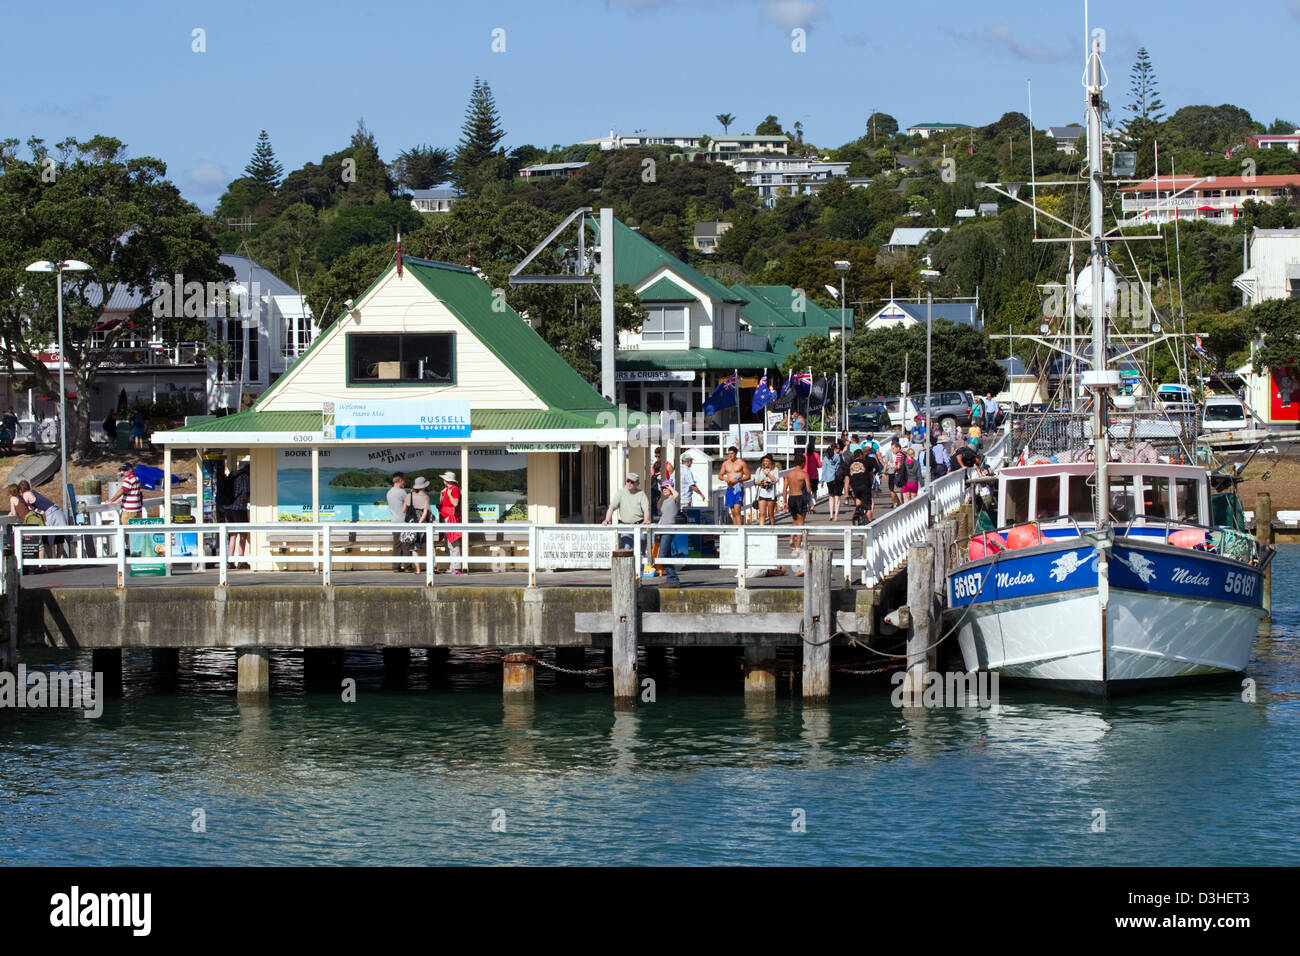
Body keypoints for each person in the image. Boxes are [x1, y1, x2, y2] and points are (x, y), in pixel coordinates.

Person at [19, 480, 69, 561]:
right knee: (59, 538)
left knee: (46, 539)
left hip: (50, 513)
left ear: (20, 490)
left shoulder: (26, 494)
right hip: (57, 510)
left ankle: (51, 561)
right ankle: (57, 560)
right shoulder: (33, 492)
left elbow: (28, 508)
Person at [602, 472, 651, 552]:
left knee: (641, 552)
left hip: (639, 525)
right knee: (626, 550)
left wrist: (646, 520)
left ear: (637, 483)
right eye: (628, 481)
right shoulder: (621, 492)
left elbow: (646, 509)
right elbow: (611, 507)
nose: (629, 483)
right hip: (625, 526)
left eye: (632, 482)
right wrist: (607, 519)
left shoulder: (641, 494)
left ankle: (641, 559)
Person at [782, 452, 810, 569]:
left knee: (795, 520)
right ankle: (798, 546)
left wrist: (784, 501)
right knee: (801, 522)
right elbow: (808, 489)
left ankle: (791, 537)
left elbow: (784, 489)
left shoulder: (789, 474)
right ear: (803, 463)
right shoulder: (804, 474)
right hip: (800, 498)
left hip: (791, 498)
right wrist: (809, 502)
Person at [656, 484, 683, 586]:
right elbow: (662, 516)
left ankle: (673, 577)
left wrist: (670, 487)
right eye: (663, 488)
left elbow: (677, 494)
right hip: (661, 529)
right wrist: (657, 529)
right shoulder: (664, 501)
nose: (664, 489)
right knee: (667, 555)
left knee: (662, 555)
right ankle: (672, 580)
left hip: (668, 530)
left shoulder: (674, 499)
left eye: (666, 487)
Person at [437, 471, 464, 574]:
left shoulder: (454, 490)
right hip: (445, 517)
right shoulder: (446, 490)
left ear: (447, 480)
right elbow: (441, 504)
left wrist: (449, 495)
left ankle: (456, 567)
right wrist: (442, 493)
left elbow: (455, 503)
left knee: (453, 543)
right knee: (447, 543)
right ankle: (452, 566)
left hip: (451, 518)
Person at [226, 460, 251, 567]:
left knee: (232, 535)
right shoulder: (244, 477)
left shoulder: (233, 475)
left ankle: (230, 561)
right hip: (239, 508)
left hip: (228, 508)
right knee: (243, 535)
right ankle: (241, 560)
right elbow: (245, 495)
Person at [718, 446, 751, 526]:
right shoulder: (725, 463)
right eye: (729, 453)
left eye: (732, 453)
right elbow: (720, 475)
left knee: (737, 510)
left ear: (736, 453)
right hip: (730, 488)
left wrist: (738, 480)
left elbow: (748, 476)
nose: (730, 455)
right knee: (733, 511)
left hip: (738, 488)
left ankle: (740, 529)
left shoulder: (741, 463)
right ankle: (735, 528)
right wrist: (725, 479)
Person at [407, 476, 434, 573]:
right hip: (422, 523)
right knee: (429, 546)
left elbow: (404, 509)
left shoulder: (409, 496)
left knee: (414, 548)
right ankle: (433, 567)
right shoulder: (426, 497)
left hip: (412, 523)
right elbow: (425, 512)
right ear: (424, 486)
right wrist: (420, 522)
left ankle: (418, 570)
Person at [387, 472, 409, 571]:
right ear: (400, 480)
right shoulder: (402, 492)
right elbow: (408, 504)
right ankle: (407, 566)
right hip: (403, 520)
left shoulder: (389, 492)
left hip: (394, 521)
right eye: (404, 481)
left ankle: (396, 566)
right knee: (406, 544)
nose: (404, 483)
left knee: (397, 544)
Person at [849, 449, 877, 524]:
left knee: (858, 498)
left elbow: (847, 478)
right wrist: (870, 483)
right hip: (865, 485)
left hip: (854, 486)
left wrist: (848, 488)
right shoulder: (866, 462)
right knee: (867, 506)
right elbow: (871, 474)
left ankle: (858, 511)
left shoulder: (850, 464)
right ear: (861, 455)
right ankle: (870, 522)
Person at [753, 454, 780, 526]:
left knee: (771, 514)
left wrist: (768, 474)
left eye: (767, 461)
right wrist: (762, 483)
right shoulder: (759, 469)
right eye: (764, 461)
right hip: (762, 493)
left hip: (771, 494)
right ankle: (762, 529)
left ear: (771, 462)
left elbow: (775, 480)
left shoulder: (775, 469)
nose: (765, 462)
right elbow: (756, 481)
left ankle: (772, 529)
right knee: (762, 514)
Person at [820, 443, 842, 522]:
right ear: (835, 449)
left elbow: (824, 470)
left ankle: (831, 515)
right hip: (837, 478)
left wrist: (822, 480)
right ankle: (836, 516)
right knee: (837, 498)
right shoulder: (839, 457)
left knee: (831, 497)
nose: (839, 450)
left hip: (829, 479)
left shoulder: (826, 457)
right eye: (838, 448)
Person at [804, 439, 821, 513]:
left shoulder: (804, 455)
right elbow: (819, 465)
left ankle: (807, 506)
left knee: (806, 492)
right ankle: (812, 506)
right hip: (814, 476)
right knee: (814, 492)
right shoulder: (816, 455)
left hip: (805, 476)